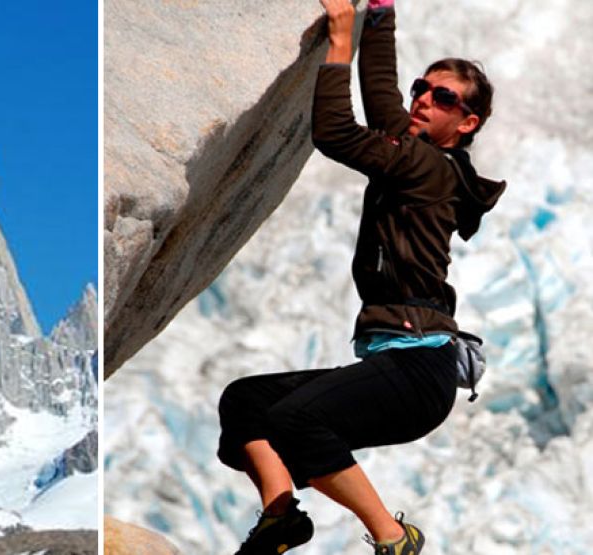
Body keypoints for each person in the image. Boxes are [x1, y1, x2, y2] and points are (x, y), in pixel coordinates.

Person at [216, 0, 506, 553]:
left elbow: (337, 132)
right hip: (398, 359)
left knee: (297, 419)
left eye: (442, 97)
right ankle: (282, 517)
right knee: (246, 402)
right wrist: (380, 14)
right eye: (423, 87)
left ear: (466, 123)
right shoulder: (418, 152)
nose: (423, 99)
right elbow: (381, 97)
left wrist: (340, 42)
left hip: (420, 366)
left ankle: (394, 538)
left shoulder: (426, 167)